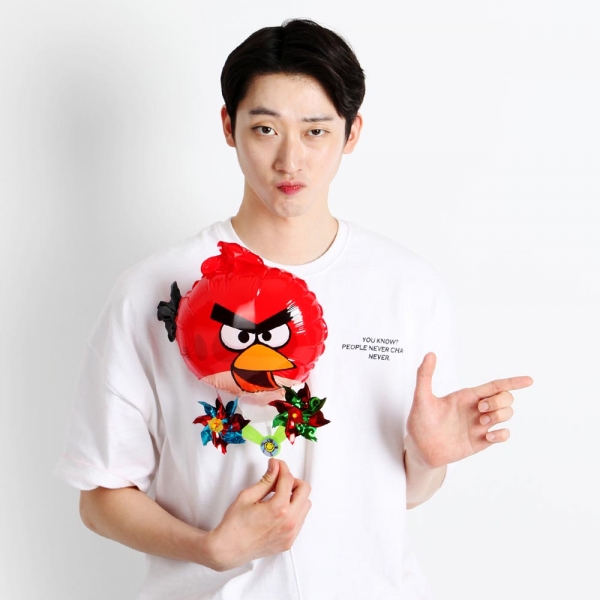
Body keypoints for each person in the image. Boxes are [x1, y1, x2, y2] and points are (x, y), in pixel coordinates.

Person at [54, 18, 533, 599]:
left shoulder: (407, 288)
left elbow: (405, 492)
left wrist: (429, 458)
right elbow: (101, 496)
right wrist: (211, 549)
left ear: (351, 133)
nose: (290, 160)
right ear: (228, 126)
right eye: (265, 128)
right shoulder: (153, 290)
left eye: (315, 131)